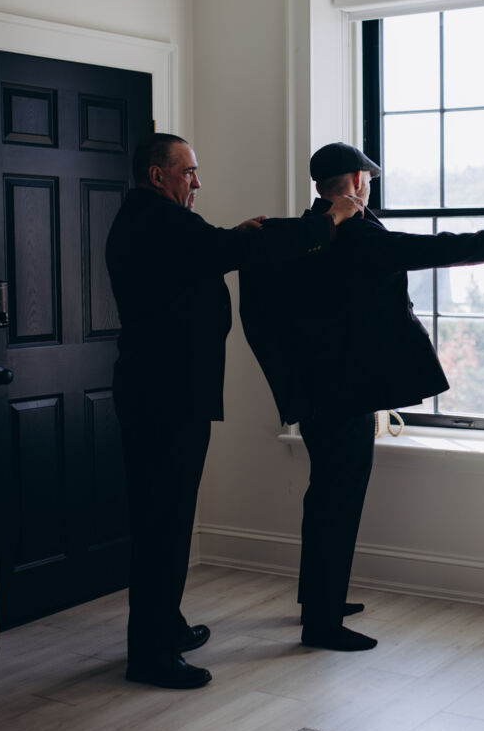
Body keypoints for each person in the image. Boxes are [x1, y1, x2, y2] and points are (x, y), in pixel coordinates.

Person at [239, 142, 484, 652]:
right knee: (337, 502)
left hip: (313, 392)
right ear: (357, 181)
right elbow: (445, 247)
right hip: (347, 395)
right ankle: (322, 623)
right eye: (368, 179)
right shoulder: (357, 236)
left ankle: (319, 602)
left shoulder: (294, 234)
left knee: (325, 498)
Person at [107, 133, 362, 688]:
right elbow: (233, 250)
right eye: (188, 172)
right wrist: (328, 221)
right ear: (157, 175)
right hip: (166, 395)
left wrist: (238, 237)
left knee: (164, 517)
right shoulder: (160, 221)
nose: (197, 182)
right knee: (164, 521)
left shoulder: (154, 220)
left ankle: (165, 627)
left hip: (165, 391)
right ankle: (149, 655)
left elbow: (218, 247)